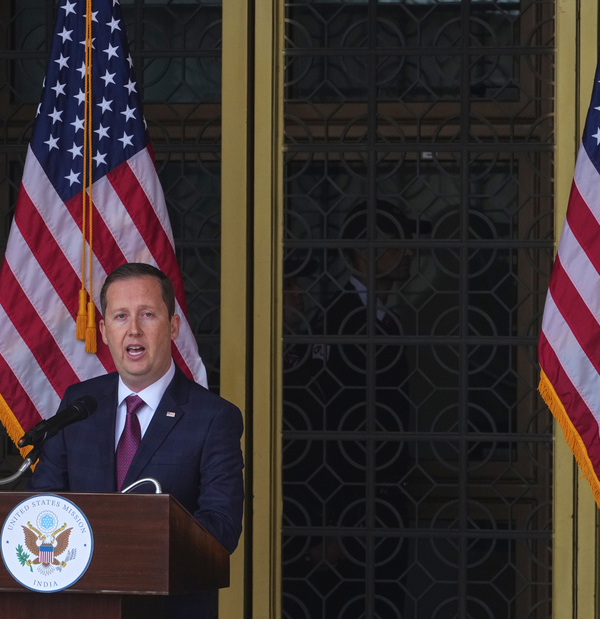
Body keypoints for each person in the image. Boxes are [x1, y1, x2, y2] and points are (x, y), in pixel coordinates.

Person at [29, 262, 244, 618]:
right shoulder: (79, 405)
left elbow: (221, 528)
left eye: (147, 315)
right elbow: (42, 504)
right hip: (78, 605)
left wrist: (138, 544)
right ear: (104, 329)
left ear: (173, 327)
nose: (133, 331)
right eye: (120, 317)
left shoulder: (213, 417)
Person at [282, 200, 424, 619]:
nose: (410, 253)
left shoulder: (384, 320)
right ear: (367, 251)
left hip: (381, 516)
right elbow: (323, 430)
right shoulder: (339, 323)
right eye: (399, 243)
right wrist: (332, 527)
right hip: (346, 524)